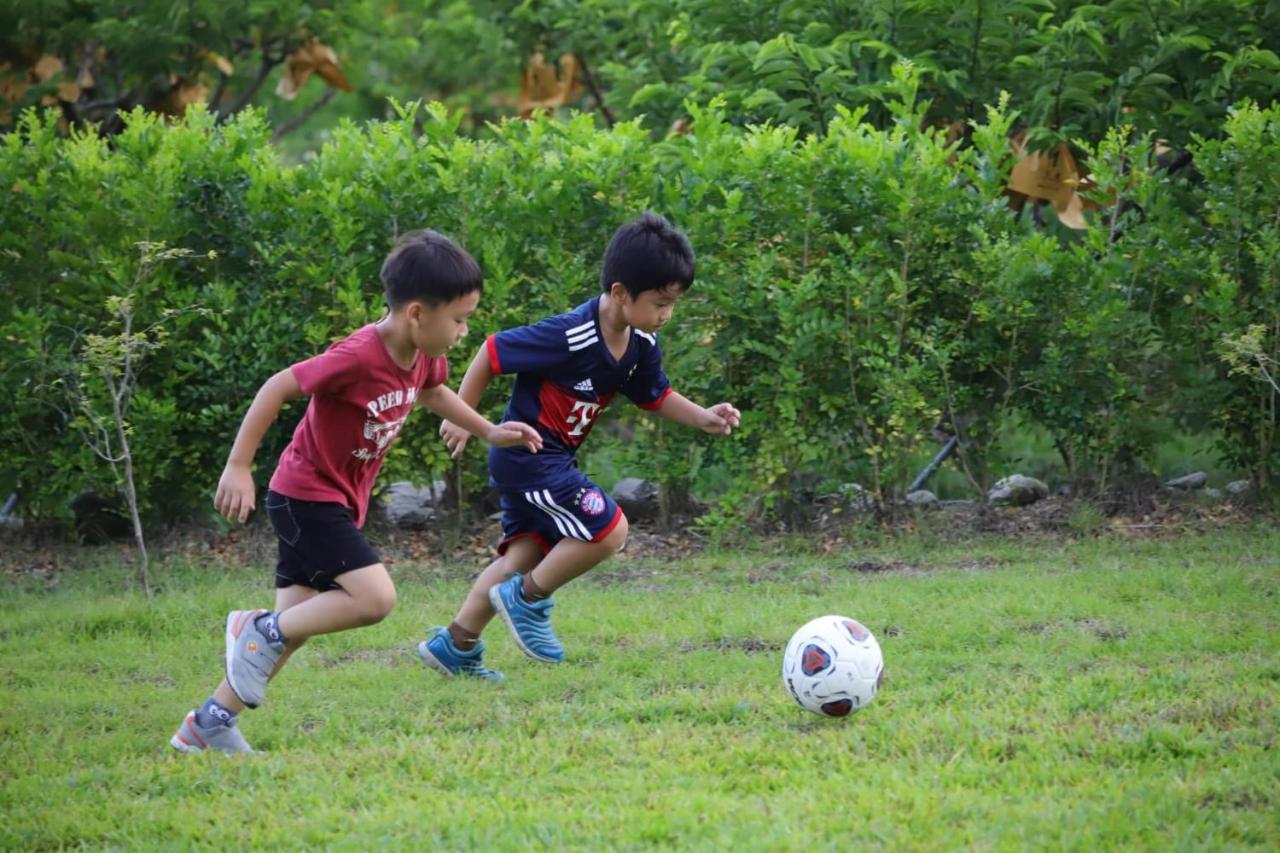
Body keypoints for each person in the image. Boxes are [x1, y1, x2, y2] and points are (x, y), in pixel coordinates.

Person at [170, 230, 542, 753]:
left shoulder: (422, 357)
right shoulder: (358, 355)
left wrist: (487, 429)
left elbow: (432, 392)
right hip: (305, 497)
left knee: (293, 629)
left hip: (332, 499)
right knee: (373, 599)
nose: (464, 332)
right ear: (416, 313)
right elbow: (279, 385)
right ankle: (255, 629)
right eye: (459, 319)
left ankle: (206, 725)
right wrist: (238, 464)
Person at [418, 212, 739, 681]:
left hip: (549, 461)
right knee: (609, 529)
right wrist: (466, 419)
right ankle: (527, 599)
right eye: (660, 301)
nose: (667, 313)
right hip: (528, 457)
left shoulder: (642, 342)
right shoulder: (570, 334)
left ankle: (456, 645)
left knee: (522, 556)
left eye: (674, 302)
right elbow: (492, 351)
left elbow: (656, 395)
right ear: (620, 294)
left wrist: (703, 416)